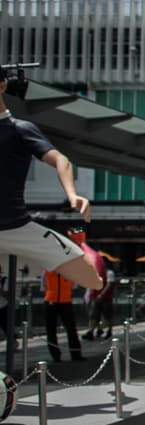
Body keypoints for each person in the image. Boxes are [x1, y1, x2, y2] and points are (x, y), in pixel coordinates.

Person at [0, 73, 103, 295]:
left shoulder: (20, 128)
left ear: (1, 86)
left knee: (93, 280)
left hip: (17, 226)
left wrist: (72, 194)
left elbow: (60, 159)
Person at [42, 263, 82, 362]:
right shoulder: (47, 270)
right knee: (51, 330)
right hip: (51, 300)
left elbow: (74, 285)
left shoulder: (69, 271)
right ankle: (55, 355)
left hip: (65, 301)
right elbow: (43, 286)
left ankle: (76, 354)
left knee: (71, 328)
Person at [82, 256, 115, 340]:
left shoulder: (109, 272)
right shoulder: (97, 271)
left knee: (107, 315)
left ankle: (109, 330)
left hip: (106, 298)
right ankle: (91, 331)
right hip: (95, 296)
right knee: (93, 315)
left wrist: (101, 294)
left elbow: (109, 284)